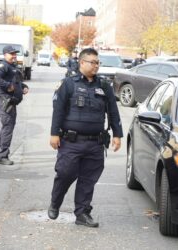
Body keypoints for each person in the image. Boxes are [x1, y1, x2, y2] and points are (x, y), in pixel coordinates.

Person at [48, 48, 123, 227]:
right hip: (71, 141)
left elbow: (113, 110)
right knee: (65, 173)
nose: (96, 65)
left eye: (98, 62)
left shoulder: (104, 86)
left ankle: (82, 213)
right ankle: (55, 202)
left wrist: (117, 134)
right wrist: (54, 133)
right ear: (82, 63)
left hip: (95, 142)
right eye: (92, 62)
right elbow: (58, 109)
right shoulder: (68, 83)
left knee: (88, 179)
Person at [0, 45, 29, 165]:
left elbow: (16, 83)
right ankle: (3, 156)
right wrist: (7, 86)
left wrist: (23, 87)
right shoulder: (3, 66)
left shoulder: (12, 67)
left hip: (11, 101)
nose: (14, 56)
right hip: (5, 101)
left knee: (8, 126)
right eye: (11, 54)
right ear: (5, 55)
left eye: (15, 54)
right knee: (8, 127)